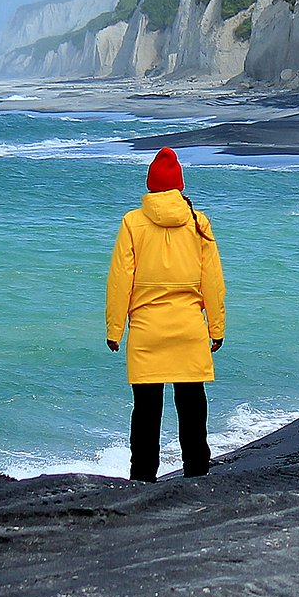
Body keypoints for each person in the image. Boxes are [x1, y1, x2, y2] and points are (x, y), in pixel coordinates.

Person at [105, 146, 226, 482]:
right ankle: (197, 474)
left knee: (146, 413)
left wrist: (115, 330)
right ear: (180, 187)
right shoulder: (199, 223)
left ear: (150, 186)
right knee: (192, 409)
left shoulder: (132, 222)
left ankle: (142, 480)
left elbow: (119, 281)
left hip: (147, 333)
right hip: (189, 330)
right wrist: (217, 328)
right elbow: (213, 283)